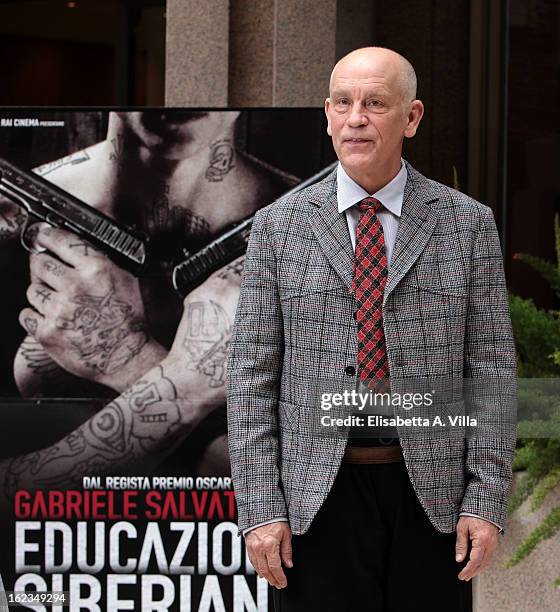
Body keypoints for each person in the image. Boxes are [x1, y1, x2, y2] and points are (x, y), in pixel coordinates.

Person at [226, 47, 517, 611]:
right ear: (328, 114)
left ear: (411, 118)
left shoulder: (467, 223)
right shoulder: (278, 226)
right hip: (315, 501)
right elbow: (250, 379)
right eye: (343, 102)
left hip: (433, 499)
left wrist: (485, 500)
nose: (356, 117)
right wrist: (261, 508)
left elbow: (492, 371)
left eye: (376, 103)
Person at [0, 110, 296, 494]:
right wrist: (148, 366)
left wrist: (131, 361)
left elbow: (328, 491)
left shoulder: (316, 230)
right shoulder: (9, 219)